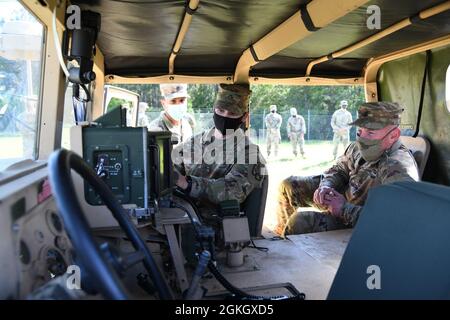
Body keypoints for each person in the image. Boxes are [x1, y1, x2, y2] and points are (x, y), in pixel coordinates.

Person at [275, 102, 419, 236]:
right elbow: (340, 169)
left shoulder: (398, 168)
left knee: (300, 222)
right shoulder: (358, 147)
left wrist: (344, 209)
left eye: (370, 133)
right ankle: (281, 236)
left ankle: (290, 250)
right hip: (342, 199)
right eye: (360, 131)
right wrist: (326, 186)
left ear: (393, 135)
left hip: (358, 223)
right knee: (288, 186)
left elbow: (398, 222)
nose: (362, 138)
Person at [172, 84, 266, 223]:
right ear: (214, 109)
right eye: (221, 110)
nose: (225, 116)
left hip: (215, 227)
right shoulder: (194, 142)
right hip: (181, 215)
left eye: (232, 113)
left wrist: (187, 183)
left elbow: (233, 192)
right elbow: (171, 168)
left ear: (244, 117)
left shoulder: (250, 154)